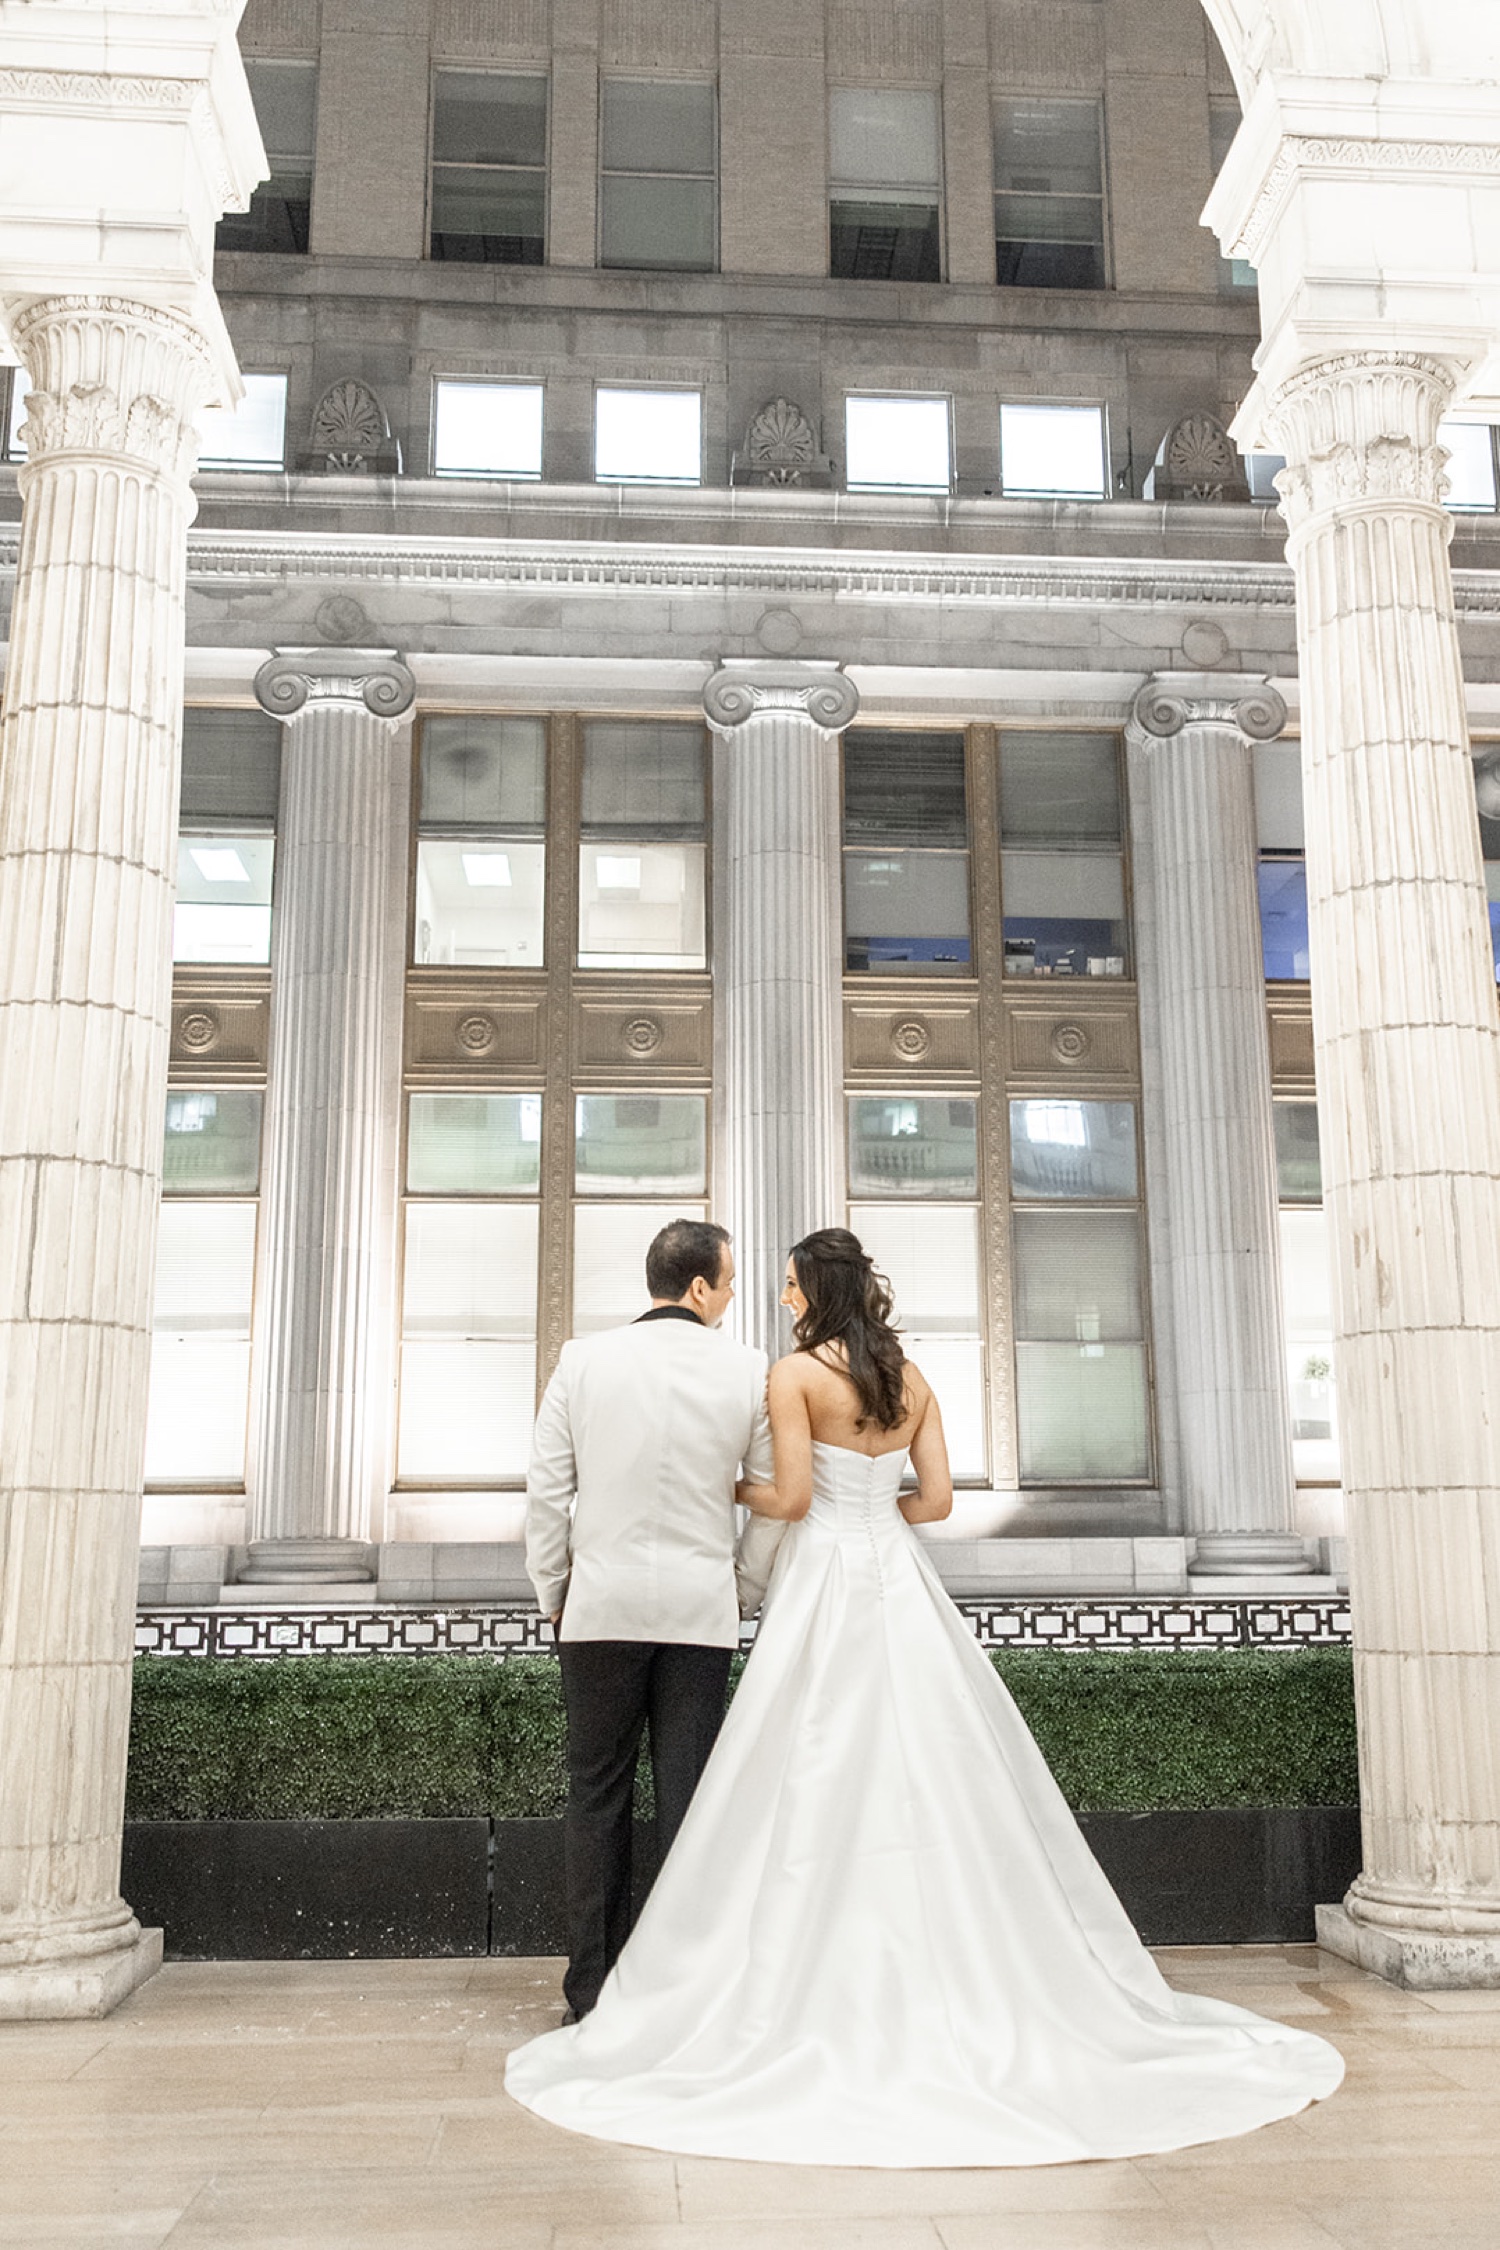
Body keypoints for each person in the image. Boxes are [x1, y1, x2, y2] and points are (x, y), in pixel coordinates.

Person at [506, 1226, 1344, 2167]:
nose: (767, 1297)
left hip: (644, 1602)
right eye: (748, 1282)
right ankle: (740, 1974)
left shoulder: (693, 1370)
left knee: (641, 1792)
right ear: (703, 1287)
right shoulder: (871, 1377)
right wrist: (795, 1551)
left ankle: (610, 1986)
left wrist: (575, 1585)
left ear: (811, 1291)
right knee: (728, 1792)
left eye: (782, 1285)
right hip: (837, 1588)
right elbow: (936, 1501)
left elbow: (586, 1494)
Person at [524, 1216, 773, 2024]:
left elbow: (547, 1493)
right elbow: (770, 1502)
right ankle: (682, 1993)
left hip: (598, 1609)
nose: (731, 1300)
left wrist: (554, 1592)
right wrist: (739, 1588)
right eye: (728, 1285)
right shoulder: (747, 1371)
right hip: (700, 1616)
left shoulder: (582, 1360)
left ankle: (591, 1994)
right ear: (698, 1287)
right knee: (690, 1801)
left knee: (596, 1794)